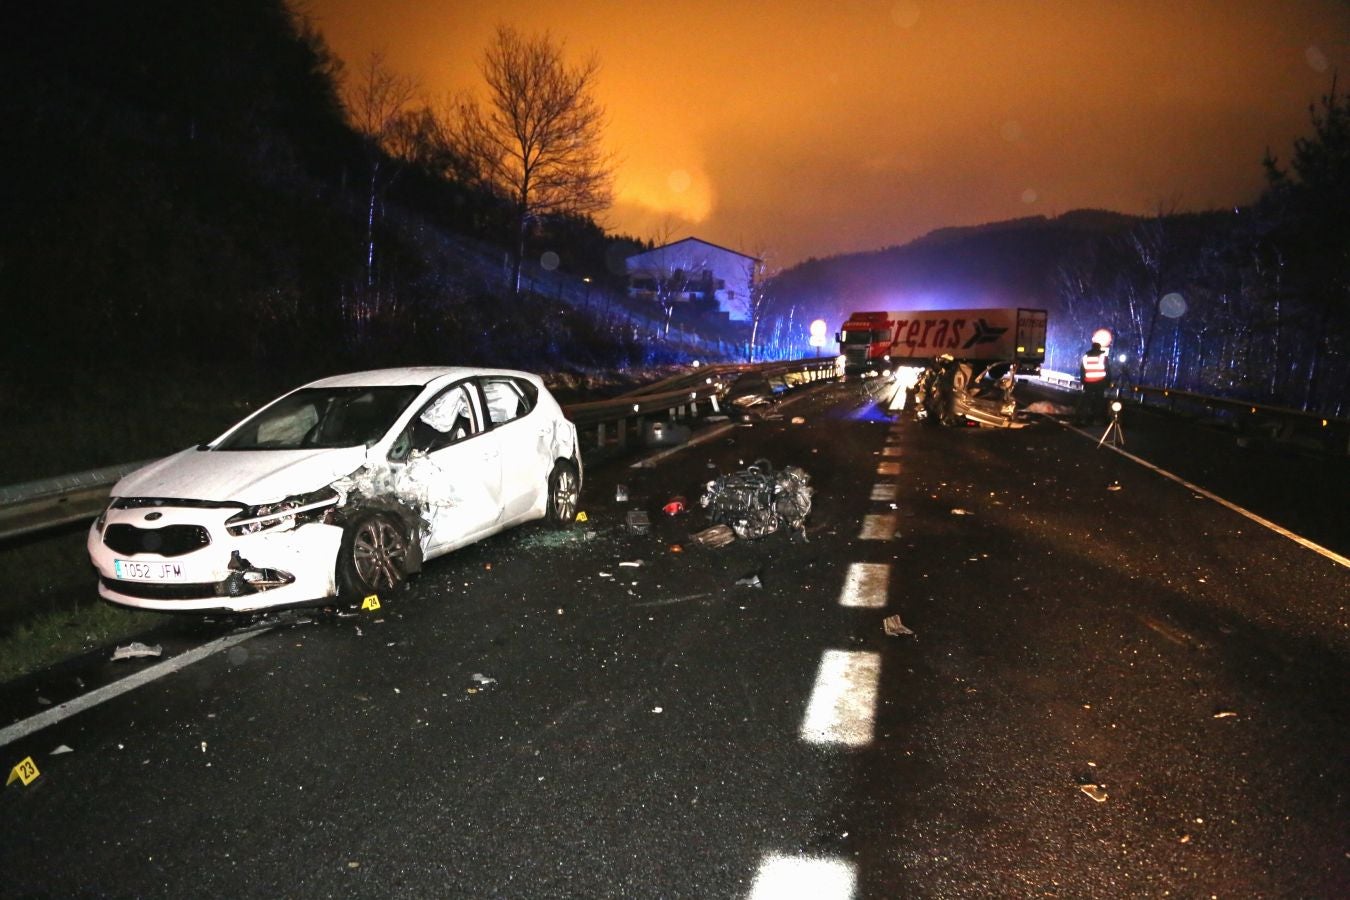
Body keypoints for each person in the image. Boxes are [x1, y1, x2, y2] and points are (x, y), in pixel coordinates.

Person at [1077, 340, 1111, 425]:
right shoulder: (1103, 357)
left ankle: (1084, 419)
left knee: (1087, 401)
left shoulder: (1086, 357)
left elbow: (1082, 370)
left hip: (1089, 383)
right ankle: (1096, 419)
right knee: (1099, 401)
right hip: (1100, 382)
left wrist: (1083, 381)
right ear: (1099, 348)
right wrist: (1108, 382)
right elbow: (1107, 370)